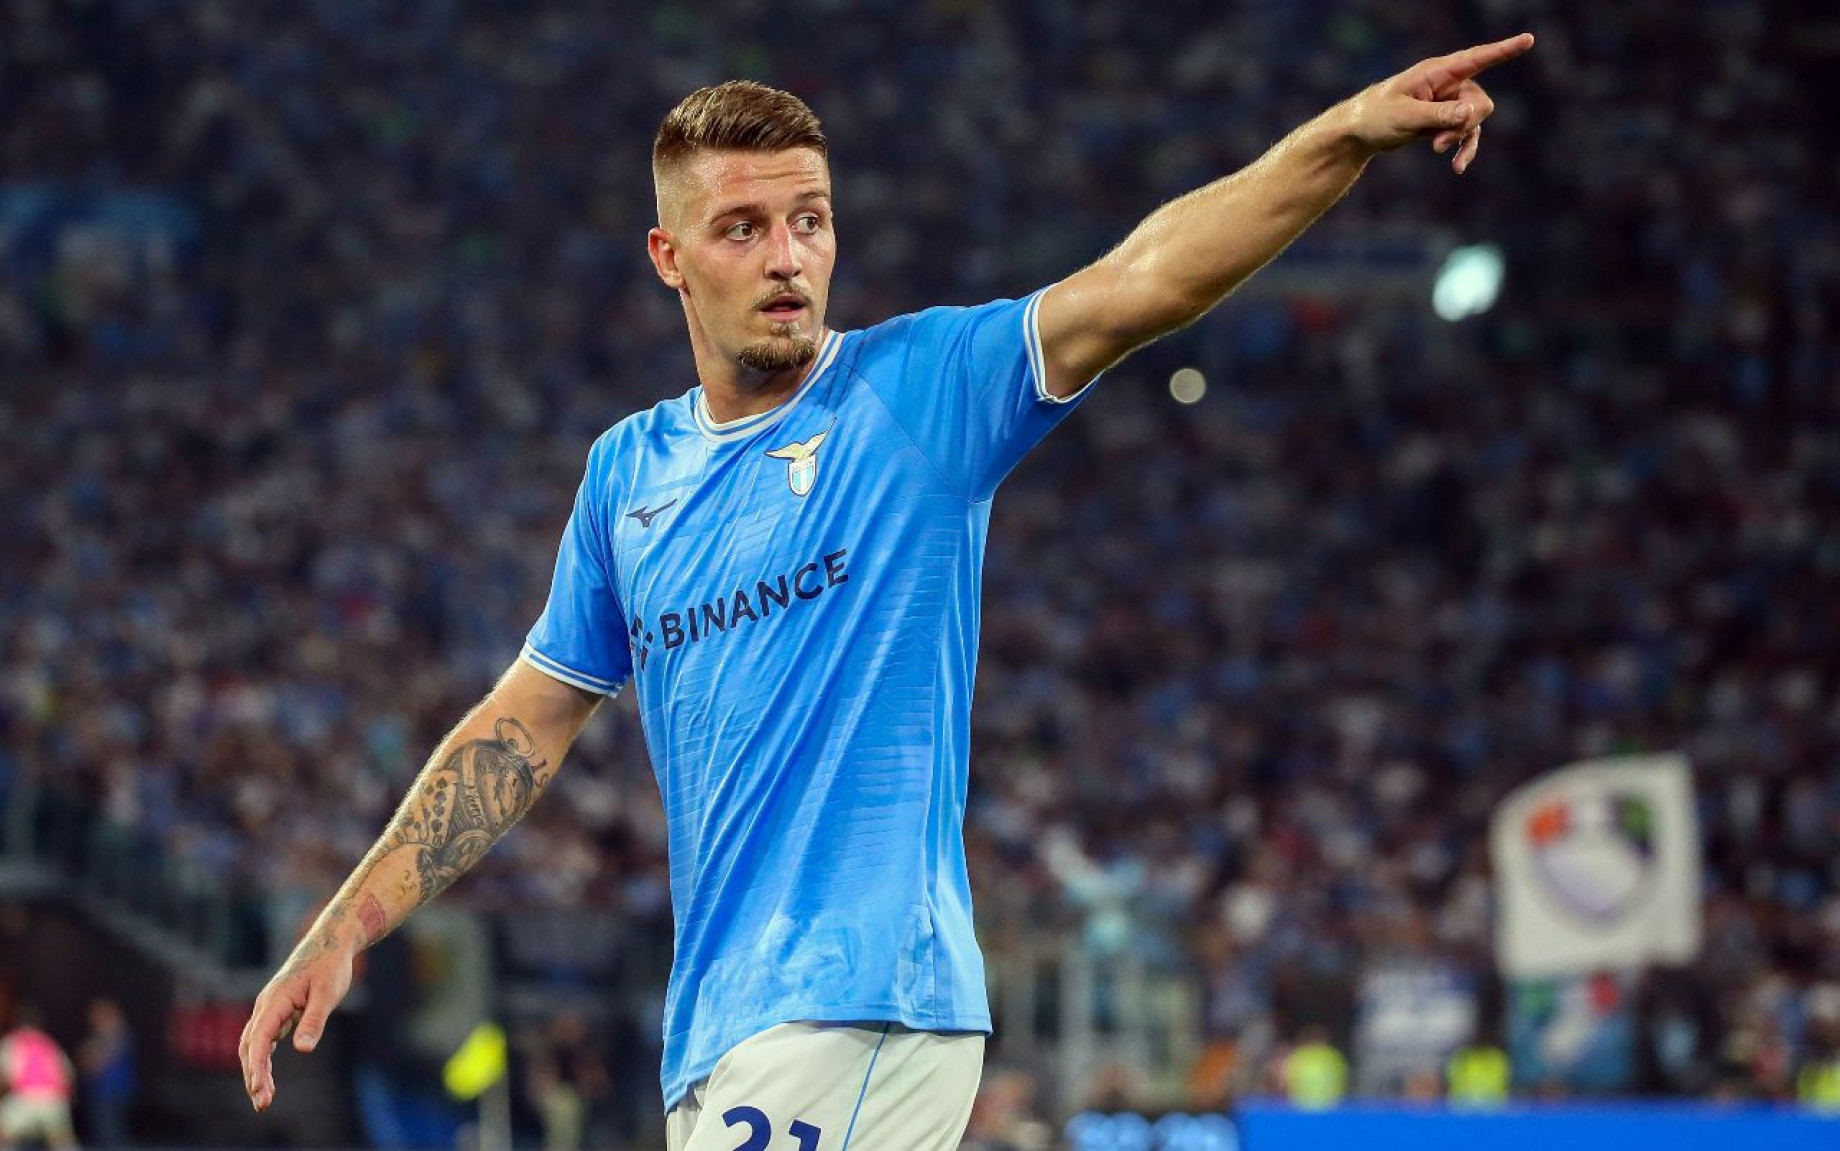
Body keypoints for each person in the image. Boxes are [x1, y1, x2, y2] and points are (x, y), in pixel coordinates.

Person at [239, 32, 1534, 1148]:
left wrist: (1344, 134)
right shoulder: (626, 474)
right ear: (670, 256)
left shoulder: (916, 393)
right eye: (743, 228)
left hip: (864, 998)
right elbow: (525, 720)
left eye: (809, 219)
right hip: (720, 1026)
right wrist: (351, 917)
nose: (787, 256)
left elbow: (1147, 278)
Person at [0, 1007, 77, 1151]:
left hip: (24, 1098)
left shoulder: (12, 1042)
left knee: (4, 1134)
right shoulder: (50, 1044)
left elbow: (5, 1075)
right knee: (62, 1141)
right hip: (54, 1099)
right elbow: (67, 1075)